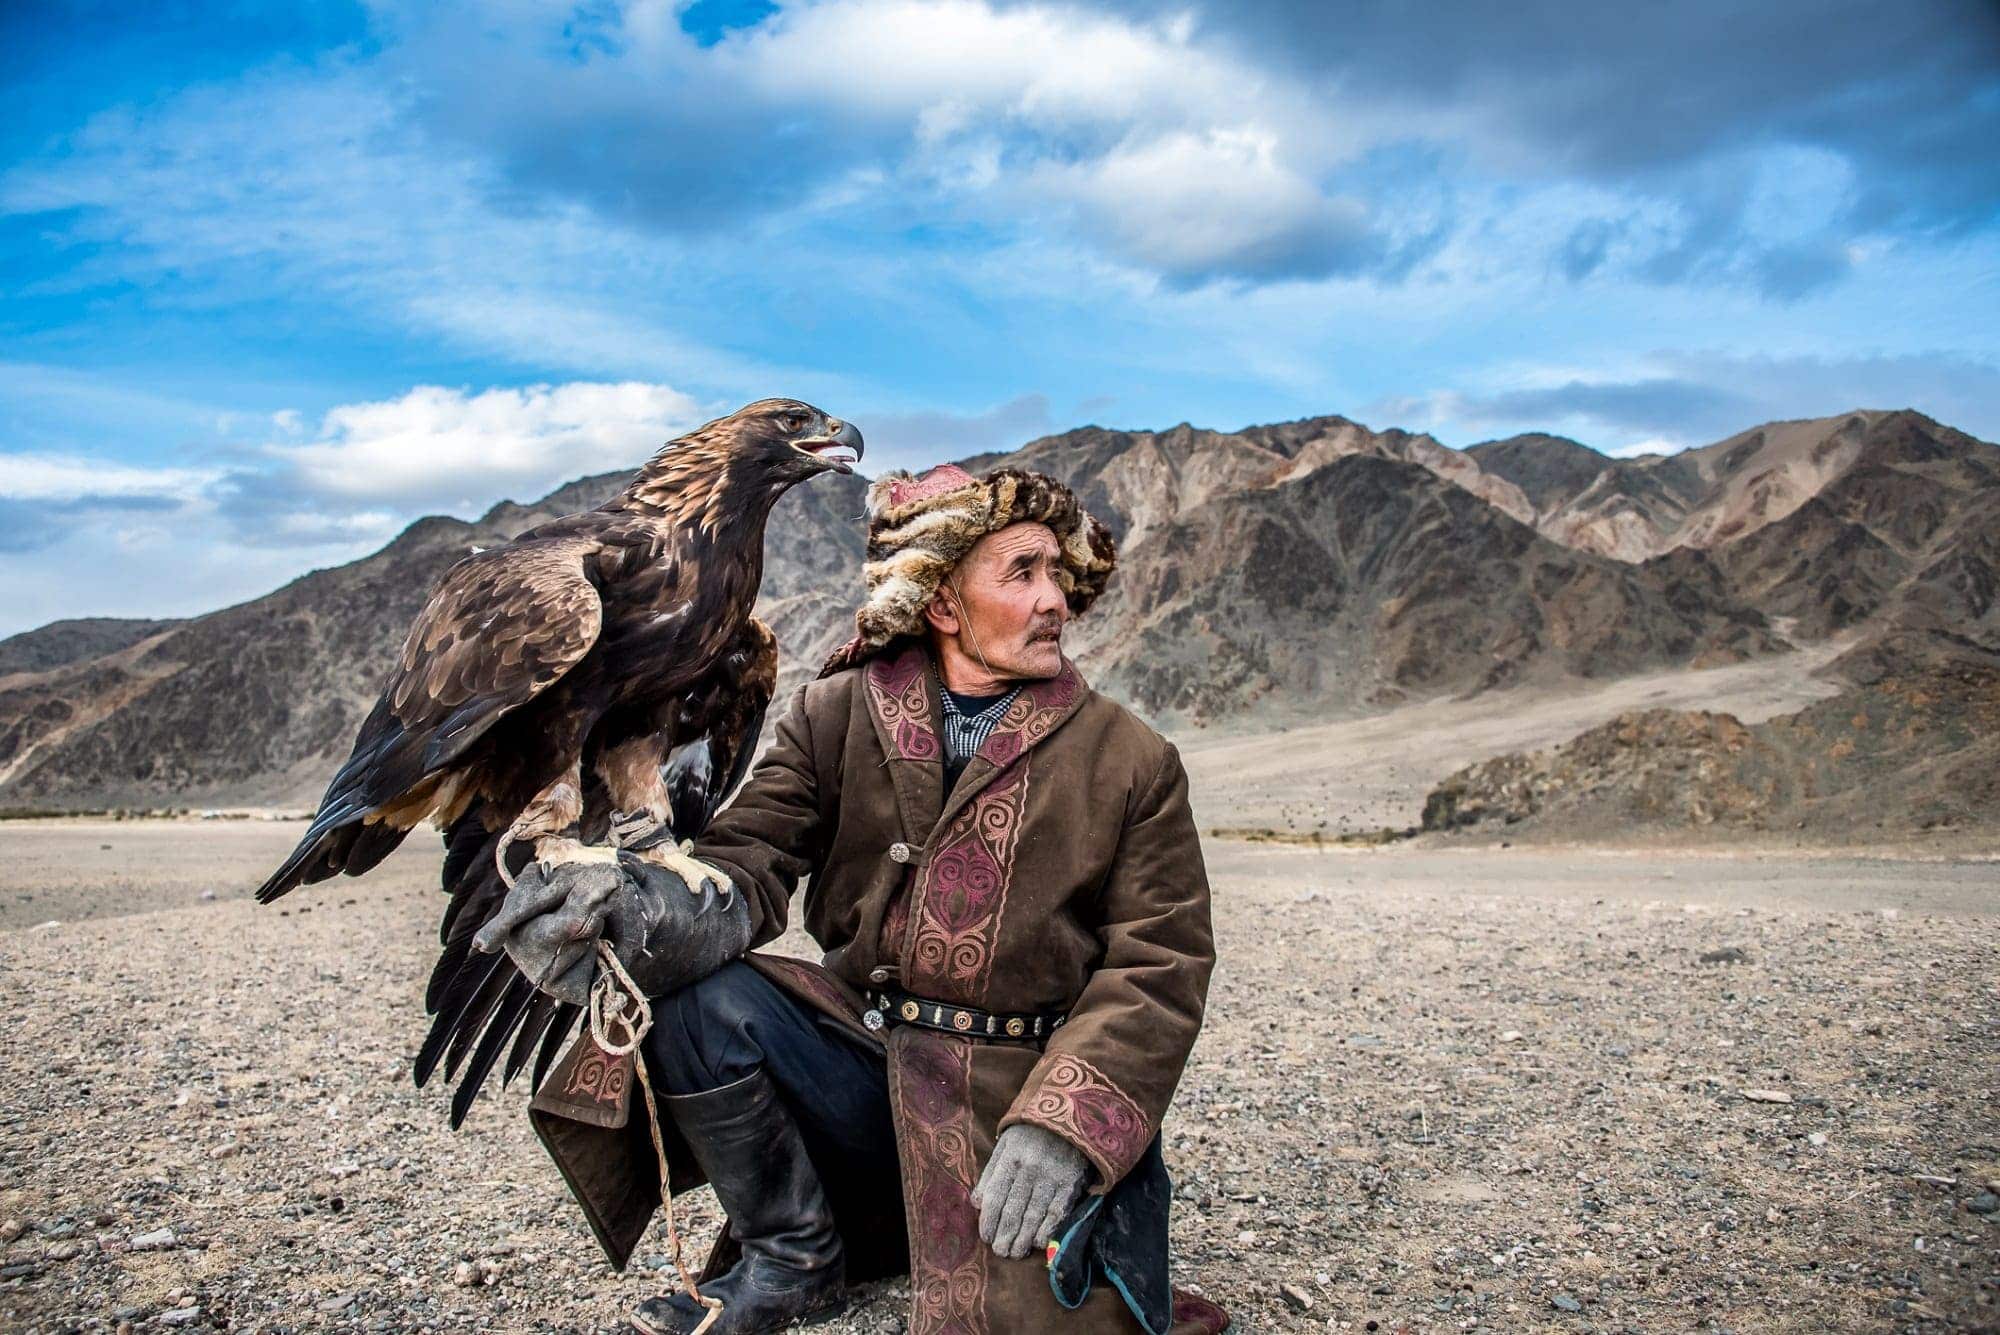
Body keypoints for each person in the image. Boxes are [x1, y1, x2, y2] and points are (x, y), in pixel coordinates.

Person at [492, 463, 1228, 1335]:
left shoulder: (1131, 758)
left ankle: (1004, 1189)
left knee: (1050, 1312)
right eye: (1022, 572)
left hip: (1013, 1105)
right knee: (698, 996)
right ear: (942, 601)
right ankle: (792, 1257)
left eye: (1058, 573)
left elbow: (1160, 962)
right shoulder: (835, 715)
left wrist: (1065, 1125)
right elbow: (745, 862)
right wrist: (629, 916)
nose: (1055, 599)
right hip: (860, 1070)